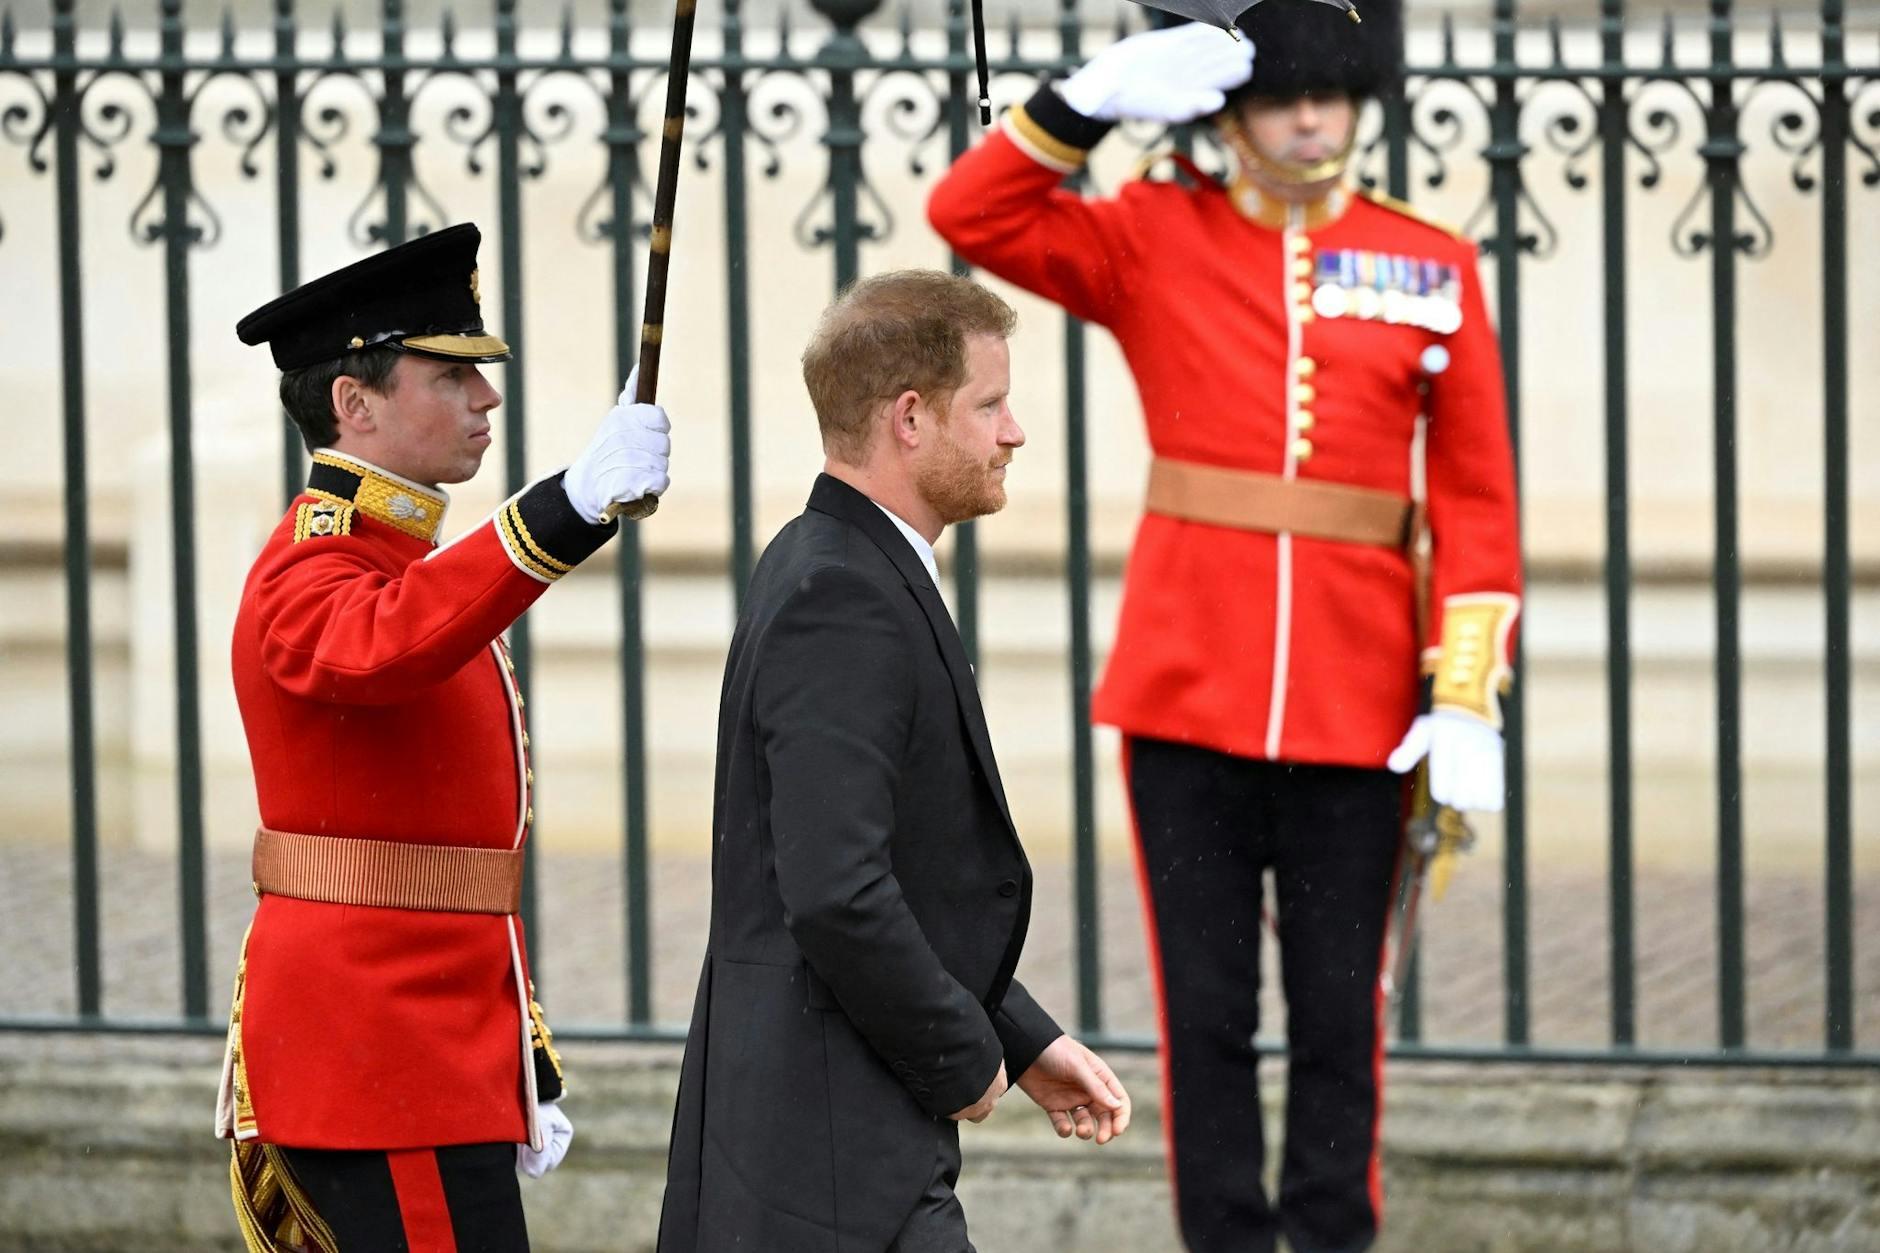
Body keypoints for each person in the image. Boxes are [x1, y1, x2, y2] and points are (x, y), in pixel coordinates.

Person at [928, 4, 1521, 1251]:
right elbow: (971, 215)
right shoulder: (1155, 234)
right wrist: (1081, 105)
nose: (1310, 118)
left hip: (1362, 704)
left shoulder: (1430, 263)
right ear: (1232, 112)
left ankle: (1330, 1234)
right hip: (1187, 689)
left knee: (1335, 1010)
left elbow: (1473, 493)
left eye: (1329, 95)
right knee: (1201, 1011)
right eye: (1280, 97)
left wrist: (1463, 690)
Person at [217, 222, 672, 1253]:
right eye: (449, 375)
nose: (487, 399)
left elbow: (450, 861)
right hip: (374, 1062)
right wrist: (563, 507)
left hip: (431, 1056)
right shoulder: (311, 567)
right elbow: (380, 648)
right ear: (354, 401)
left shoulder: (402, 564)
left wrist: (520, 1052)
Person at [657, 269, 1131, 1253]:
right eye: (990, 404)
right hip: (823, 1155)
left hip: (832, 1135)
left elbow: (902, 869)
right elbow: (835, 885)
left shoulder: (840, 560)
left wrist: (1023, 1036)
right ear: (908, 419)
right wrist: (961, 1055)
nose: (1014, 432)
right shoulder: (845, 593)